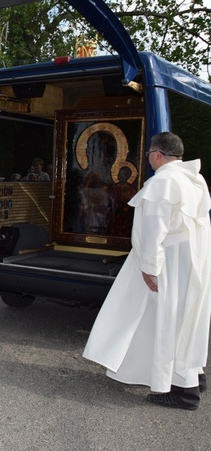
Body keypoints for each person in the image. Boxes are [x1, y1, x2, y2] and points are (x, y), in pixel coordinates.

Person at [83, 132, 211, 410]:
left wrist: (149, 267)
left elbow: (154, 229)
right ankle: (192, 375)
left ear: (157, 154)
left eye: (149, 154)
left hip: (169, 260)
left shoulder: (162, 182)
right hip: (192, 258)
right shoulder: (194, 179)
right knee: (185, 317)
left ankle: (183, 391)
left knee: (165, 320)